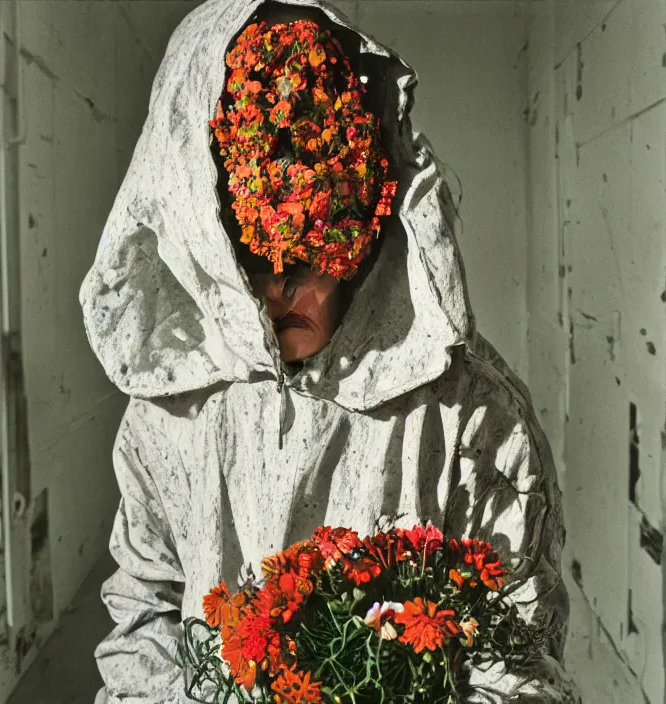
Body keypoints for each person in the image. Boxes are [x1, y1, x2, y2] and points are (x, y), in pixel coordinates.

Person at [80, 1, 581, 702]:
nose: (288, 296)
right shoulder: (170, 416)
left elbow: (518, 658)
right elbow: (144, 617)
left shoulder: (470, 421)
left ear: (364, 236)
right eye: (256, 261)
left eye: (313, 261)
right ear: (205, 242)